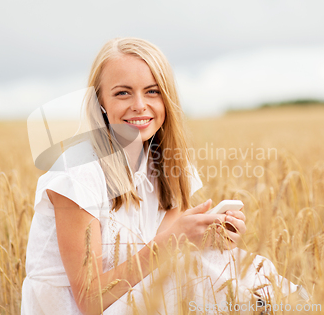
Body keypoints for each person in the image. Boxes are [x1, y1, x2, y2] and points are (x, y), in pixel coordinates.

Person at [21, 37, 299, 315]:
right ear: (99, 102)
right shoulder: (76, 172)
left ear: (166, 98)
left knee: (219, 261)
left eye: (152, 91)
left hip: (134, 302)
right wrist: (175, 238)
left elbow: (168, 251)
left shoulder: (168, 166)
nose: (140, 105)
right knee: (190, 272)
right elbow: (90, 300)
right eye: (122, 93)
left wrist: (209, 236)